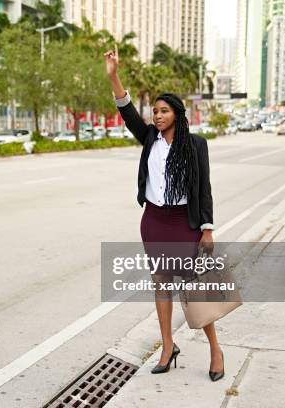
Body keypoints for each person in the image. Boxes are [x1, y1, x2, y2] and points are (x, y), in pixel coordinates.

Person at [103, 48, 224, 382]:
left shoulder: (196, 145)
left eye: (163, 111)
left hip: (185, 223)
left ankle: (215, 349)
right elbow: (127, 111)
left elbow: (205, 189)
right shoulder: (149, 141)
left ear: (177, 114)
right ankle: (167, 347)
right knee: (161, 285)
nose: (156, 116)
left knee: (197, 290)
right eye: (154, 111)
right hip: (154, 222)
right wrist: (114, 76)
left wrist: (207, 229)